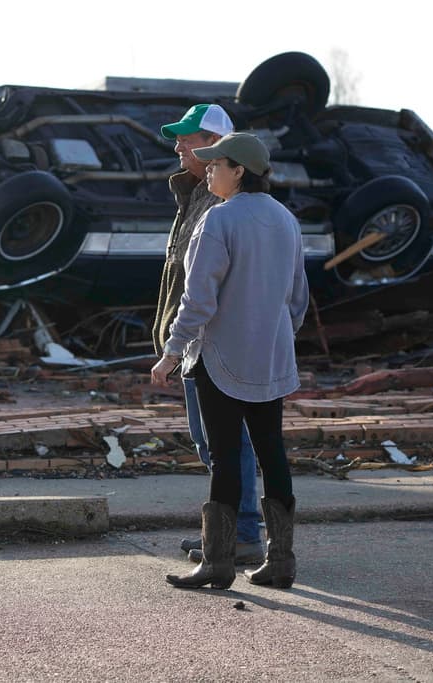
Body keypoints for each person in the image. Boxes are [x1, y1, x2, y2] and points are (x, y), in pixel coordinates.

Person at [156, 132, 309, 590]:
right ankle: (280, 560)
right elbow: (297, 297)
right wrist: (277, 334)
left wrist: (171, 350)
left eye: (217, 165)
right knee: (272, 453)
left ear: (239, 170)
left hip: (220, 358)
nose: (210, 173)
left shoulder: (218, 220)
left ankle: (218, 564)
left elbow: (198, 298)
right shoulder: (286, 220)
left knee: (225, 457)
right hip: (272, 357)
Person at [151, 104, 264, 567]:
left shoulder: (220, 202)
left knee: (226, 443)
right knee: (212, 443)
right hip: (197, 342)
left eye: (188, 138)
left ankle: (242, 534)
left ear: (215, 144)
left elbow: (207, 286)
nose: (177, 146)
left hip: (211, 344)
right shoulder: (195, 194)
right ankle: (228, 530)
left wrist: (178, 345)